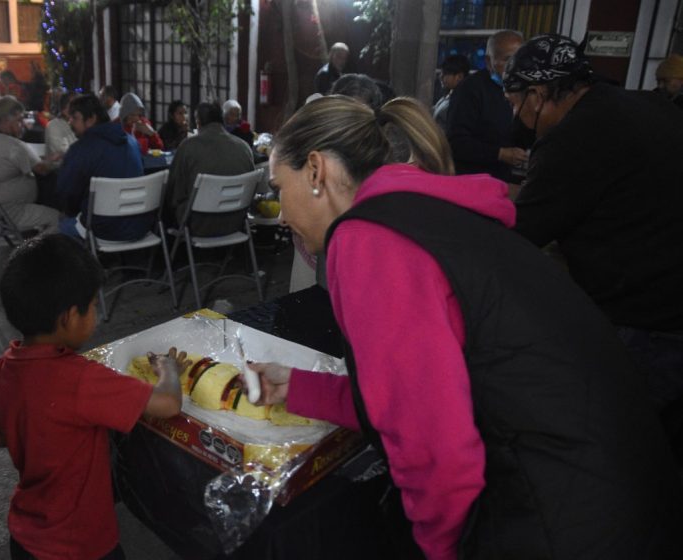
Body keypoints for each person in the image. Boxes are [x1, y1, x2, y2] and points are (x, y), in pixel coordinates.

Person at [250, 94, 683, 559]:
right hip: (629, 493)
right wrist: (297, 387)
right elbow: (413, 396)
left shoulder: (367, 240)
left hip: (563, 517)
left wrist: (437, 551)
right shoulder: (432, 214)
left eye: (279, 187)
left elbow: (436, 453)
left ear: (315, 171)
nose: (283, 212)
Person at [503, 34, 683, 455]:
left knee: (611, 443)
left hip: (648, 320)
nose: (517, 117)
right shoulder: (645, 103)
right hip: (674, 303)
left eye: (515, 104)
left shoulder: (572, 138)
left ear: (538, 94)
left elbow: (520, 234)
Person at [0, 233, 185, 560]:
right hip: (82, 544)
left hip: (26, 537)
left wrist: (32, 434)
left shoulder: (4, 367)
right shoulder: (82, 378)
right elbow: (168, 405)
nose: (95, 314)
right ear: (69, 317)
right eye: (93, 306)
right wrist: (169, 371)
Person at [56, 94, 154, 242]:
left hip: (103, 230)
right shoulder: (132, 142)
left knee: (62, 223)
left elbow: (66, 195)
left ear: (91, 119)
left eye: (74, 118)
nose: (70, 123)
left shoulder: (81, 149)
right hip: (140, 225)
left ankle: (85, 263)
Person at [446, 30, 527, 182]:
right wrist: (499, 153)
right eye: (508, 59)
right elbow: (456, 142)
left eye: (520, 59)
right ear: (489, 61)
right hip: (471, 181)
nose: (516, 66)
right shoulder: (469, 90)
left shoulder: (523, 89)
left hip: (503, 180)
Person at [164, 101, 254, 236]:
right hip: (236, 223)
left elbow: (173, 188)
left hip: (198, 223)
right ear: (222, 120)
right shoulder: (244, 147)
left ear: (198, 122)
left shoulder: (188, 147)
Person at [0, 96, 60, 233]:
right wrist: (59, 160)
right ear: (5, 120)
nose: (23, 124)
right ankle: (37, 252)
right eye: (19, 120)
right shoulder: (13, 145)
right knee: (58, 218)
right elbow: (42, 169)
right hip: (9, 215)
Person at [432, 54, 470, 131]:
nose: (441, 76)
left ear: (459, 77)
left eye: (445, 73)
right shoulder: (448, 96)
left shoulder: (461, 102)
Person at [44, 91, 77, 161]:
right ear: (65, 110)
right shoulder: (53, 126)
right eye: (76, 105)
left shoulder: (80, 125)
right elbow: (59, 157)